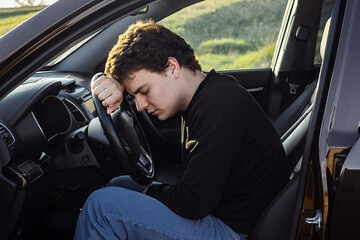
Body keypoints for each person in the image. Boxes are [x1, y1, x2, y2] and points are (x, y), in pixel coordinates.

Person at [74, 19, 291, 240]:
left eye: (144, 91)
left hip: (233, 231)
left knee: (100, 209)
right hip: (220, 211)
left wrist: (148, 192)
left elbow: (193, 202)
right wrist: (116, 84)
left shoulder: (216, 107)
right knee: (118, 185)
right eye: (133, 96)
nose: (139, 105)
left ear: (172, 67)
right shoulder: (212, 92)